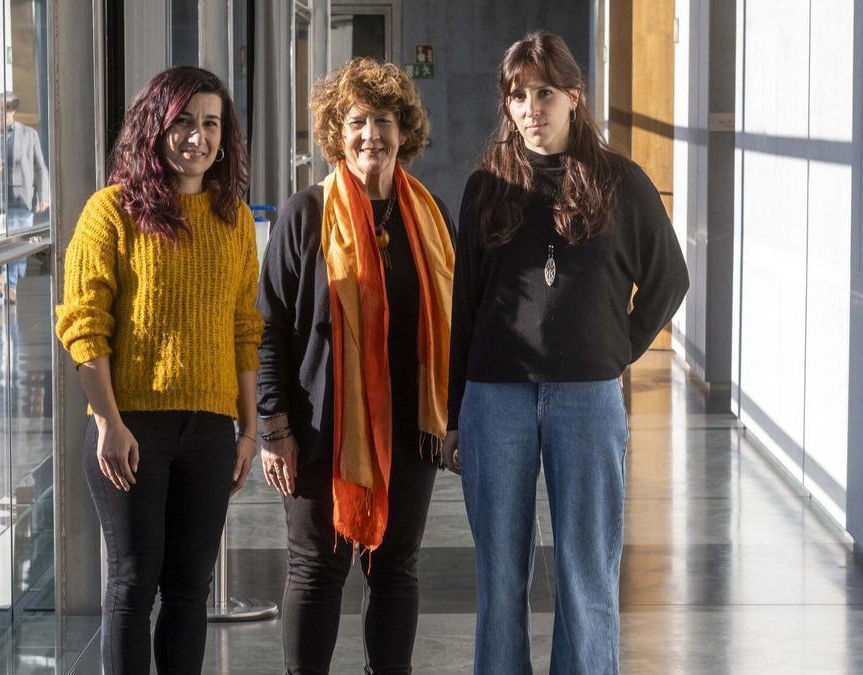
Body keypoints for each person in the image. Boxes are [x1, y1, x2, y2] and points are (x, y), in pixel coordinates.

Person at [442, 32, 690, 674]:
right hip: (495, 400)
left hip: (587, 401)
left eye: (544, 93)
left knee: (587, 572)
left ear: (575, 98)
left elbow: (670, 279)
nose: (531, 108)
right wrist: (450, 415)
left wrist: (617, 349)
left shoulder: (621, 183)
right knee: (500, 576)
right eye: (517, 95)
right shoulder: (485, 187)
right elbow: (464, 307)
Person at [54, 66, 260, 675]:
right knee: (134, 581)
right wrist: (108, 423)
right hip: (131, 428)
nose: (197, 137)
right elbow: (84, 324)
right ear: (156, 126)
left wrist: (247, 432)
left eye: (211, 124)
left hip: (210, 431)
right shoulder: (111, 211)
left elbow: (244, 330)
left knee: (190, 588)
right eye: (184, 122)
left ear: (225, 137)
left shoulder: (234, 220)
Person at [257, 57, 455, 675]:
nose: (372, 133)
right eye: (358, 120)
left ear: (406, 132)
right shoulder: (306, 214)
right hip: (322, 431)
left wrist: (453, 418)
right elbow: (268, 328)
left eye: (385, 120)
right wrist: (275, 429)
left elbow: (458, 324)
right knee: (317, 570)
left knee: (396, 569)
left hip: (409, 431)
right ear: (337, 133)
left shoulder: (431, 216)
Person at [0, 91, 50, 304]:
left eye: (6, 108)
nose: (1, 113)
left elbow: (40, 167)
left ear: (14, 110)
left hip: (20, 197)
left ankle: (10, 285)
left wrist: (44, 195)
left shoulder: (29, 134)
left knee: (18, 245)